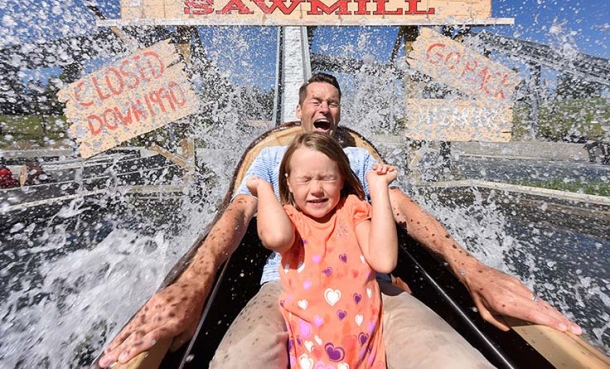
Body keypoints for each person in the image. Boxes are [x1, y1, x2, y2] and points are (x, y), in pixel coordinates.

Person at [99, 73, 581, 368]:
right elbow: (239, 213)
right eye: (316, 101)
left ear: (338, 113)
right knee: (236, 361)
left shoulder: (358, 160)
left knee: (454, 360)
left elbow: (402, 209)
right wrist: (195, 283)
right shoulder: (271, 159)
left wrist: (470, 268)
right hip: (286, 287)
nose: (324, 108)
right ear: (300, 110)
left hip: (372, 285)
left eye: (332, 102)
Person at [247, 132, 397, 368]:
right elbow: (276, 238)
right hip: (311, 355)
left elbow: (384, 261)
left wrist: (378, 189)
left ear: (341, 180)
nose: (316, 189)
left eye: (326, 178)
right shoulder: (290, 220)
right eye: (305, 180)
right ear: (288, 182)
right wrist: (264, 189)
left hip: (365, 355)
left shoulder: (352, 211)